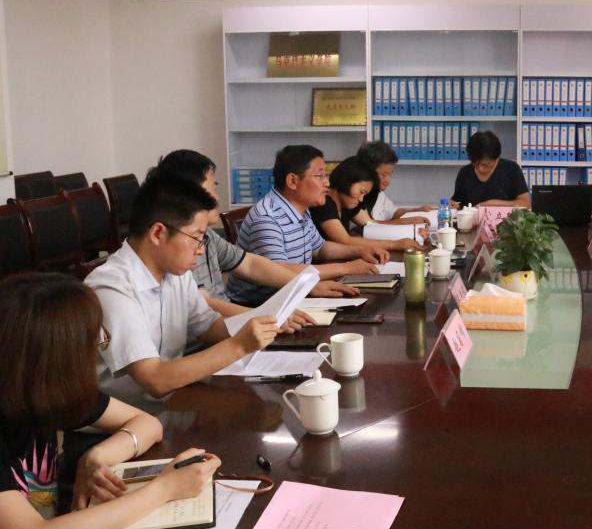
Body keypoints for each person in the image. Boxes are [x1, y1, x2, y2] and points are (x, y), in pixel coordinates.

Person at [0, 272, 221, 529]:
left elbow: (147, 424)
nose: (97, 353)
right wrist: (164, 490)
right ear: (56, 357)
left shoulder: (44, 390)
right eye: (94, 343)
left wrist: (97, 457)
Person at [88, 175, 283, 407]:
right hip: (127, 418)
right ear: (158, 233)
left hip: (172, 401)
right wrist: (239, 345)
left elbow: (207, 326)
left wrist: (259, 323)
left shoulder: (174, 272)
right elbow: (154, 379)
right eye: (197, 237)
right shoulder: (112, 288)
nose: (201, 250)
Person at [149, 150, 358, 328]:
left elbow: (250, 264)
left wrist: (306, 286)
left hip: (228, 322)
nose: (217, 197)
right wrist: (262, 318)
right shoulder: (174, 248)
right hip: (231, 319)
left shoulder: (209, 236)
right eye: (212, 188)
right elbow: (202, 307)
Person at [226, 145, 381, 307]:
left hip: (294, 294)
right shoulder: (267, 218)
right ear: (293, 181)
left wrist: (360, 251)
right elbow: (280, 271)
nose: (327, 182)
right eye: (319, 176)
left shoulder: (301, 209)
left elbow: (320, 248)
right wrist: (347, 268)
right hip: (261, 306)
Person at [309, 157, 423, 252]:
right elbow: (345, 240)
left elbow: (371, 224)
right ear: (347, 180)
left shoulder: (346, 204)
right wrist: (396, 244)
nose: (361, 199)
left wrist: (411, 225)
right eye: (361, 192)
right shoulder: (324, 204)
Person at [356, 140, 435, 225]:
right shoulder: (356, 197)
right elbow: (367, 225)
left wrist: (416, 211)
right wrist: (406, 221)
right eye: (383, 175)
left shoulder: (379, 194)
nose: (388, 182)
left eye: (390, 174)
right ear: (367, 172)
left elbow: (393, 213)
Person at [451, 130, 529, 209]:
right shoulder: (465, 173)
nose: (480, 168)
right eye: (475, 163)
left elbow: (525, 203)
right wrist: (452, 205)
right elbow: (457, 203)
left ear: (496, 158)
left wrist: (493, 204)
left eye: (485, 165)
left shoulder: (511, 169)